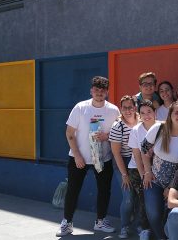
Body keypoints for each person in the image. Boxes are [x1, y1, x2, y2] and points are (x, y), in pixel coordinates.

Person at [56, 76, 121, 237]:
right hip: (79, 157)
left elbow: (118, 132)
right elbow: (69, 133)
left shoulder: (113, 110)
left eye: (102, 90)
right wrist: (77, 156)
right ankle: (67, 223)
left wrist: (106, 136)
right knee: (73, 190)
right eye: (96, 90)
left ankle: (100, 221)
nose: (99, 93)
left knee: (104, 191)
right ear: (91, 90)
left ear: (107, 92)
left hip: (103, 158)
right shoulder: (80, 108)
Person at [141, 101, 178, 240]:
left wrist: (171, 187)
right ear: (170, 115)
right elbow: (144, 149)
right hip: (154, 179)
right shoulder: (158, 128)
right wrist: (147, 172)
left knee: (172, 214)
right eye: (177, 112)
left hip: (177, 184)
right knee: (154, 214)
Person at [109, 95, 140, 239]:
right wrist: (124, 175)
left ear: (135, 107)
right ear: (121, 109)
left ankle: (140, 225)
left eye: (130, 107)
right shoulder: (118, 126)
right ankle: (125, 226)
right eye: (124, 107)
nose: (128, 110)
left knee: (140, 197)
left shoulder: (141, 122)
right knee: (128, 197)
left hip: (139, 161)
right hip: (123, 162)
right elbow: (116, 153)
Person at [128, 99, 157, 240]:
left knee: (158, 199)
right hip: (138, 168)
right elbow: (137, 155)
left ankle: (159, 228)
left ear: (155, 113)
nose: (146, 115)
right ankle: (145, 229)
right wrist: (144, 174)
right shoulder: (136, 130)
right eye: (143, 113)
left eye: (149, 112)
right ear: (139, 115)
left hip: (157, 167)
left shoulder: (161, 127)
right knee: (144, 197)